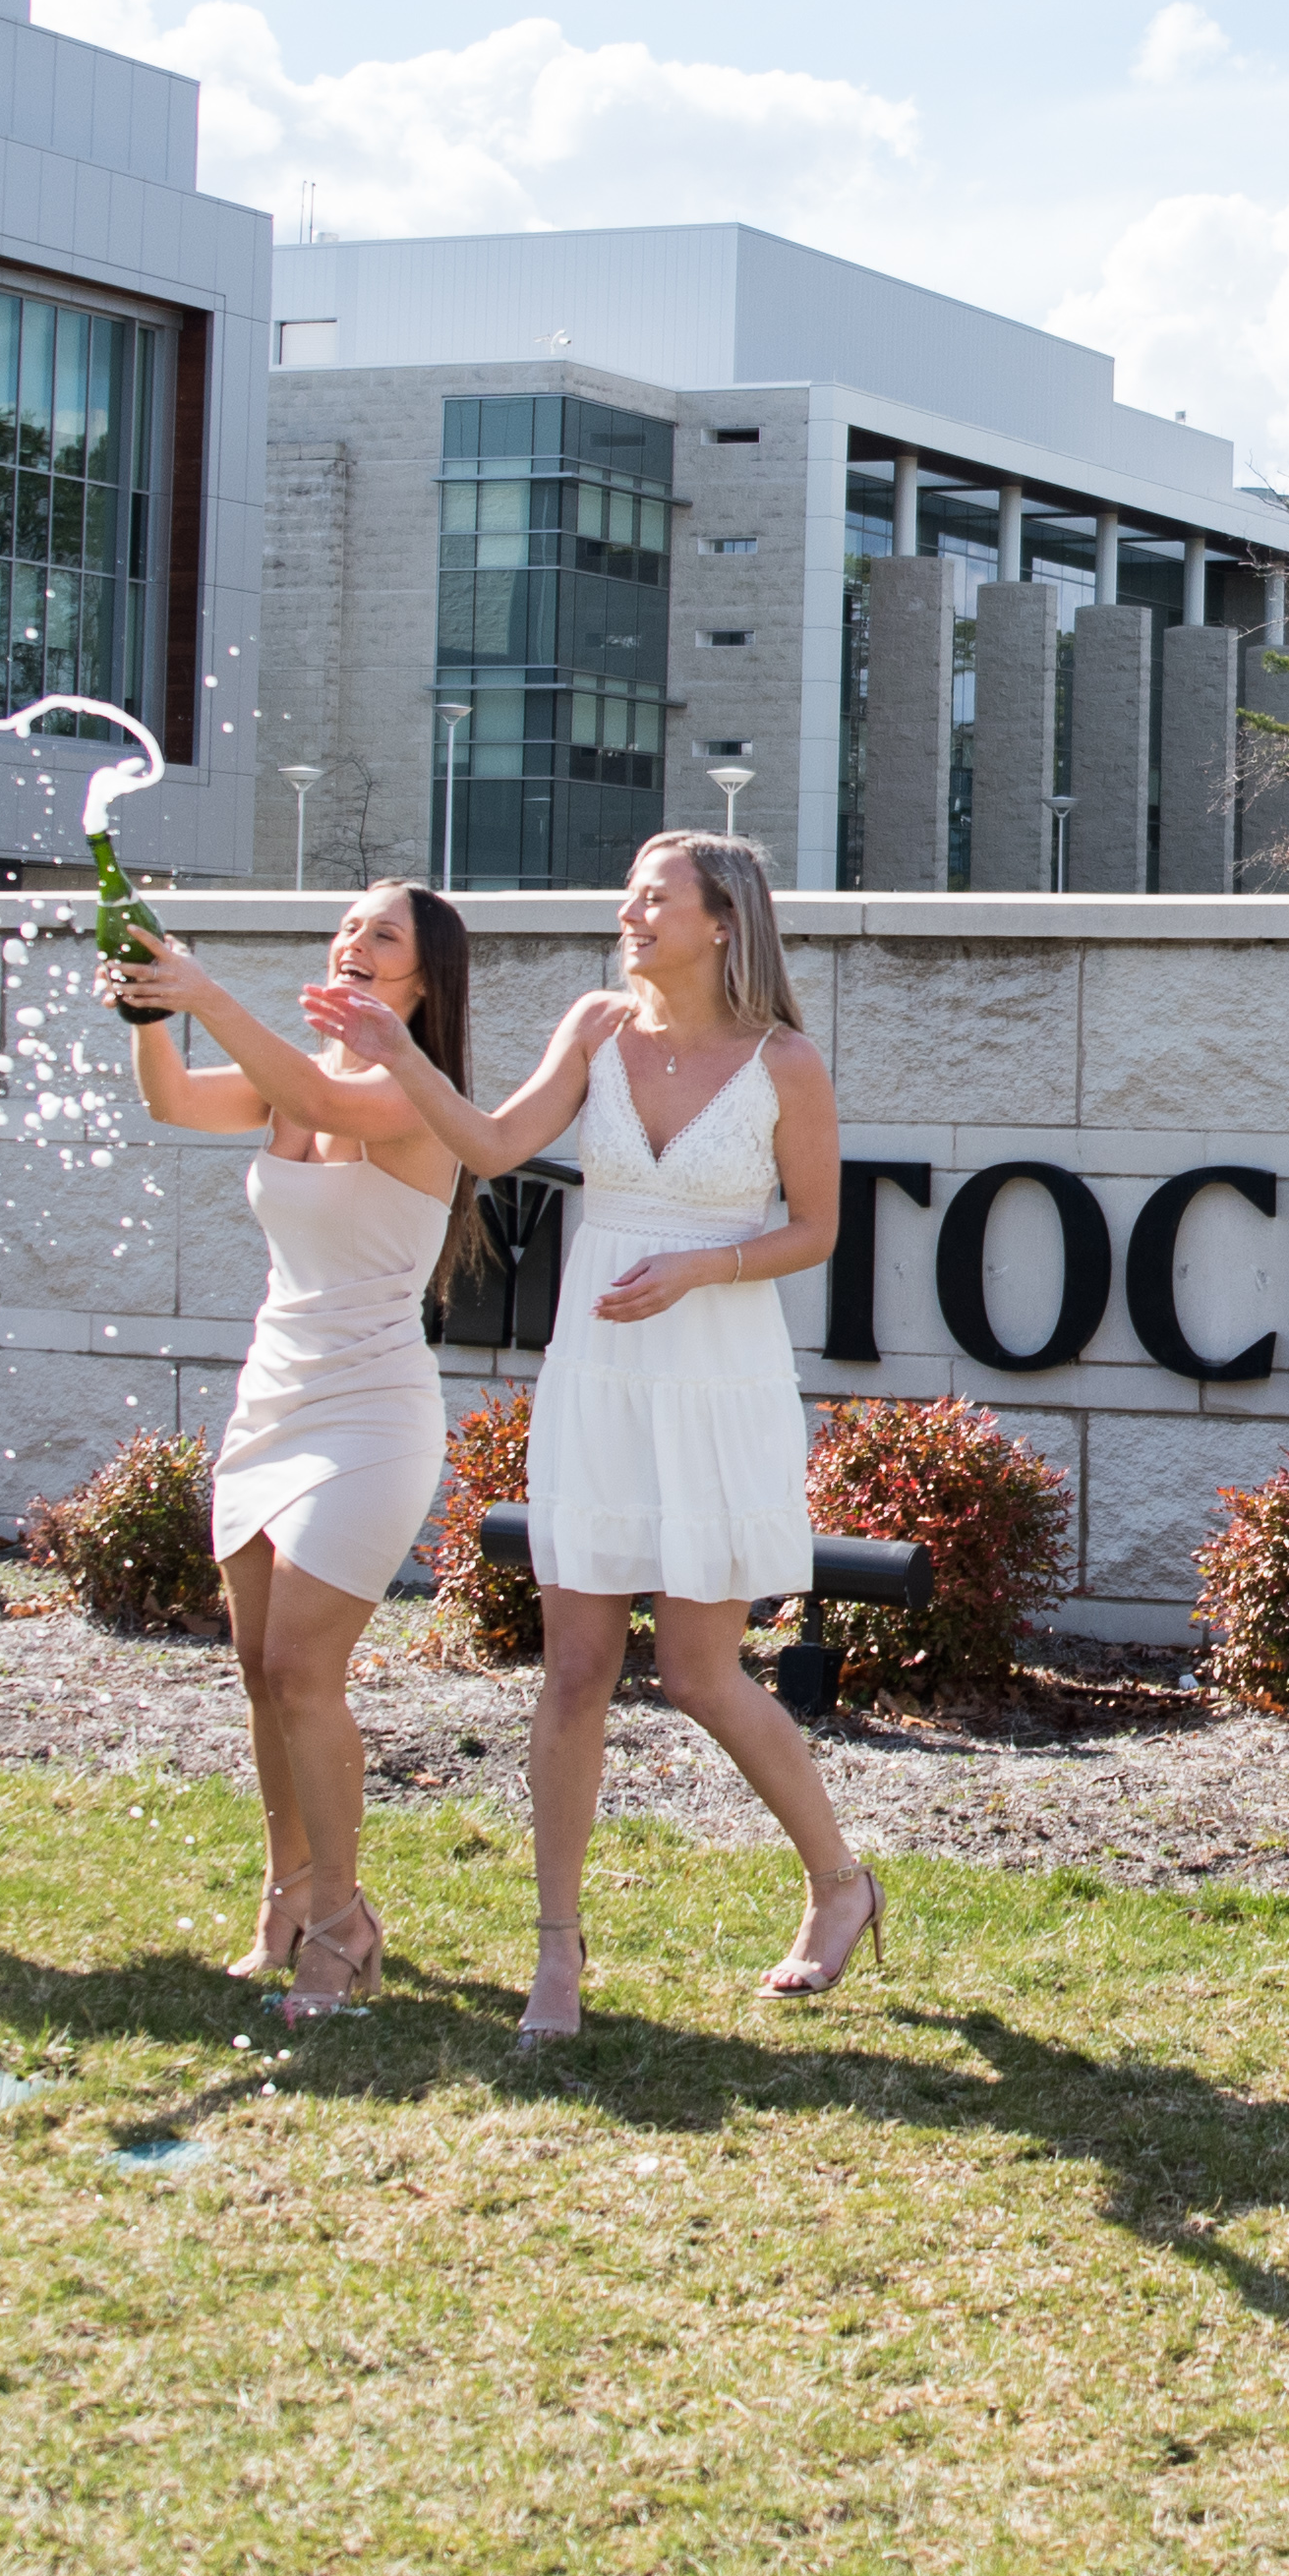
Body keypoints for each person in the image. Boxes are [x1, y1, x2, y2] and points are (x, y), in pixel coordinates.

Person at [304, 831, 866, 2035]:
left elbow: (816, 1229)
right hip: (600, 1375)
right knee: (573, 1671)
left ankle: (839, 1883)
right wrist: (399, 1052)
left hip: (714, 1376)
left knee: (701, 1673)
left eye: (655, 898)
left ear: (723, 920)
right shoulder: (597, 1027)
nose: (631, 913)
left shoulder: (786, 1061)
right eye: (628, 896)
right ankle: (556, 1953)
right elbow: (492, 1144)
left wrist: (702, 1265)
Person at [106, 884, 476, 2020]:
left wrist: (202, 988)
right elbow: (172, 1096)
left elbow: (324, 1097)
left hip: (371, 1416)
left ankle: (343, 1922)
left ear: (424, 981)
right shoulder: (294, 1078)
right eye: (349, 926)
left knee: (305, 1671)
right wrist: (147, 1008)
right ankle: (289, 1893)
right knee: (262, 1671)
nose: (355, 942)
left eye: (383, 934)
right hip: (272, 1401)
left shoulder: (414, 1090)